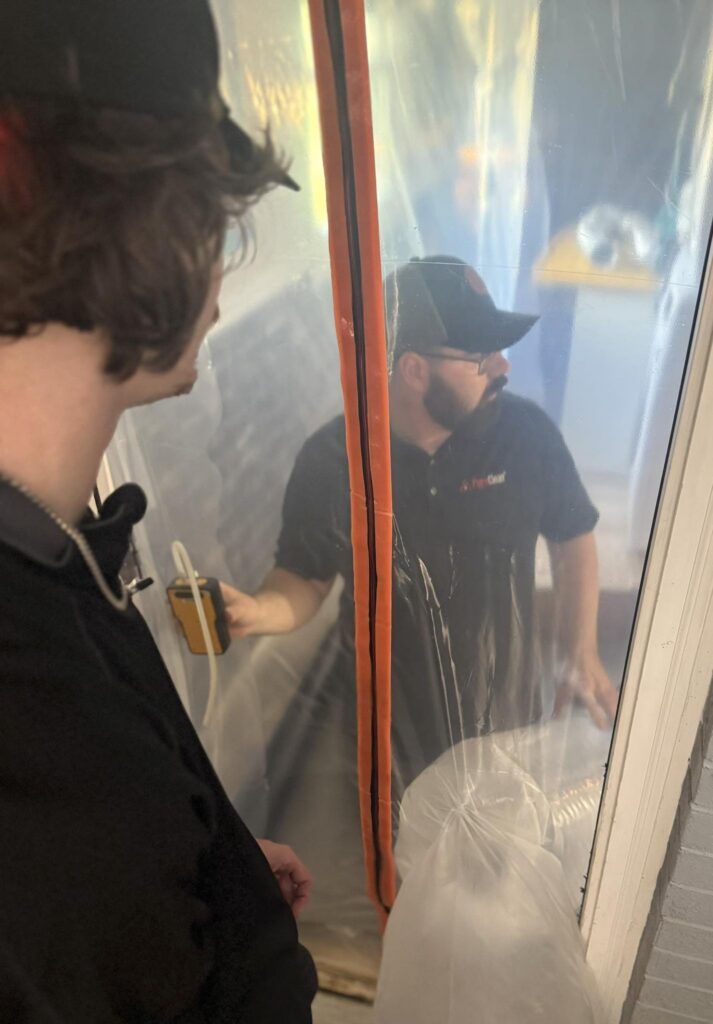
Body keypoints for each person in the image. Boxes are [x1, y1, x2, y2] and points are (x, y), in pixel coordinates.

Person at [0, 2, 317, 1021]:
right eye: (213, 210)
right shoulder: (38, 729)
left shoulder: (54, 547)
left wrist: (208, 869)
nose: (224, 258)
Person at [222, 256, 619, 794]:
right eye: (481, 356)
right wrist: (257, 611)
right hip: (382, 738)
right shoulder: (334, 461)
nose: (502, 366)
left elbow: (573, 538)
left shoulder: (525, 436)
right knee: (399, 843)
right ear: (413, 370)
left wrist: (581, 650)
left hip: (506, 725)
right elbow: (304, 579)